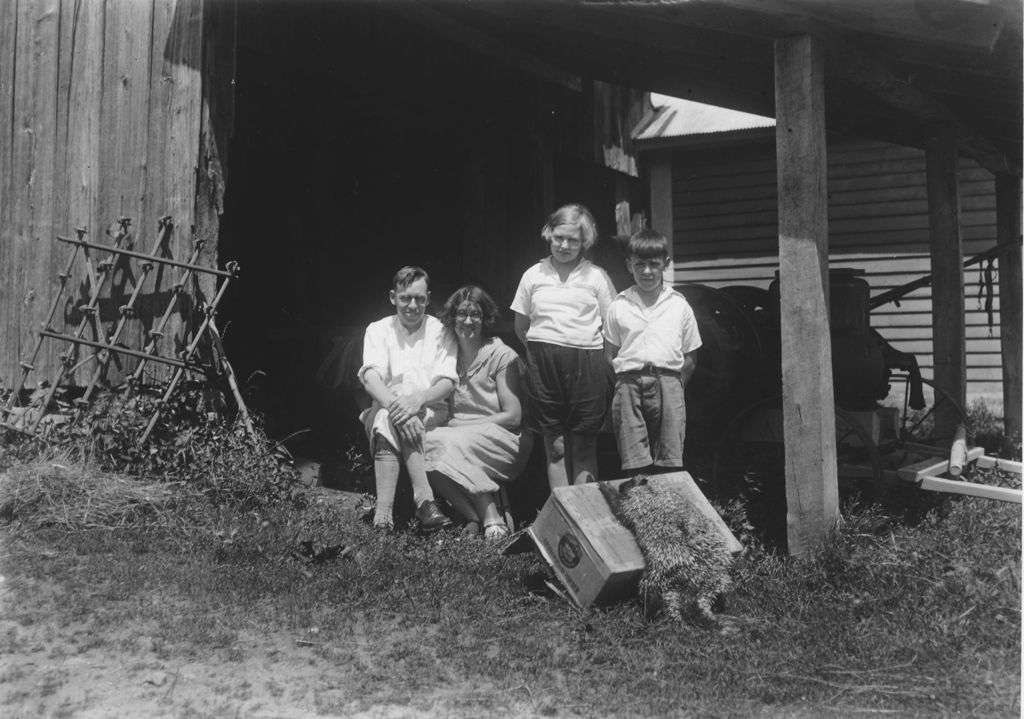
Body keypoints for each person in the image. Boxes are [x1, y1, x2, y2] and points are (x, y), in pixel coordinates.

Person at [511, 203, 617, 488]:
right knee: (555, 447)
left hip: (587, 365)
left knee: (583, 445)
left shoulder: (596, 277)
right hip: (543, 366)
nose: (565, 245)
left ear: (585, 241)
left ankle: (587, 519)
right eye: (559, 237)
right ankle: (563, 522)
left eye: (573, 239)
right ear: (549, 234)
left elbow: (615, 325)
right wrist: (544, 354)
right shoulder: (533, 275)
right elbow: (521, 328)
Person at [424, 286, 534, 540]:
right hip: (458, 438)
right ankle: (472, 516)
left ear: (485, 319)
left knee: (448, 442)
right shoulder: (446, 356)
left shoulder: (501, 355)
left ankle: (492, 517)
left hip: (505, 439)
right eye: (461, 314)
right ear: (452, 318)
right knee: (422, 443)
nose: (468, 321)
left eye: (475, 314)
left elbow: (513, 416)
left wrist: (461, 427)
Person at [358, 266, 456, 532]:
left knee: (386, 419)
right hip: (388, 406)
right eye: (405, 298)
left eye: (420, 299)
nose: (413, 305)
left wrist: (418, 400)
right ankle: (424, 501)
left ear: (428, 298)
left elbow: (447, 381)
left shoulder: (441, 331)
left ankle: (383, 514)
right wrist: (399, 406)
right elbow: (371, 379)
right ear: (393, 297)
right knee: (385, 416)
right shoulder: (378, 330)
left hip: (431, 409)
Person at [603, 229, 701, 477]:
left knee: (669, 460)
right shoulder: (619, 306)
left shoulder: (679, 305)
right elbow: (609, 354)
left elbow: (690, 358)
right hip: (628, 385)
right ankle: (639, 508)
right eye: (640, 264)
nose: (646, 271)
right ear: (629, 265)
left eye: (653, 264)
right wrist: (625, 383)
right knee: (634, 459)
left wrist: (674, 386)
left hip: (669, 383)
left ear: (665, 265)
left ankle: (666, 513)